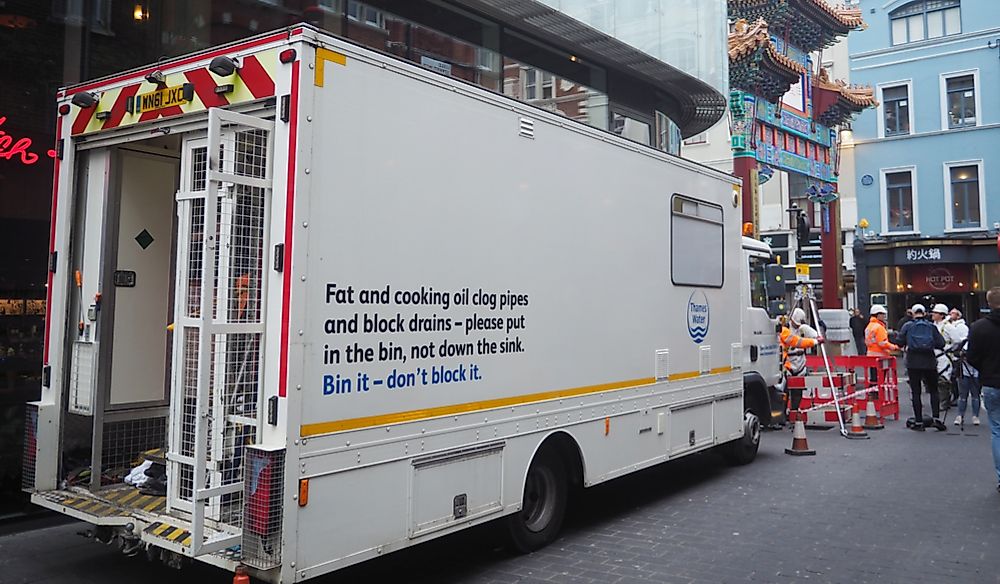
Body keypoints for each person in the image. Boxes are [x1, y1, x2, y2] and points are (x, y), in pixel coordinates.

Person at [966, 287, 1000, 493]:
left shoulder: (979, 327)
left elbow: (971, 357)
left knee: (997, 430)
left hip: (991, 383)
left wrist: (985, 370)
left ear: (988, 303)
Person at [897, 304, 946, 431]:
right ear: (924, 313)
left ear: (913, 313)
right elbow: (941, 343)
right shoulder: (931, 326)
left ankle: (918, 421)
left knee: (916, 392)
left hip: (913, 362)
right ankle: (936, 418)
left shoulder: (907, 326)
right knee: (934, 390)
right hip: (929, 361)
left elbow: (899, 342)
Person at [779, 307, 823, 415]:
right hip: (788, 363)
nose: (797, 326)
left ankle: (794, 412)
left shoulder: (802, 328)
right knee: (785, 392)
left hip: (800, 362)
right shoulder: (785, 330)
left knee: (797, 391)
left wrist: (818, 336)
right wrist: (814, 342)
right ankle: (782, 415)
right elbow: (797, 342)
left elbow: (814, 334)